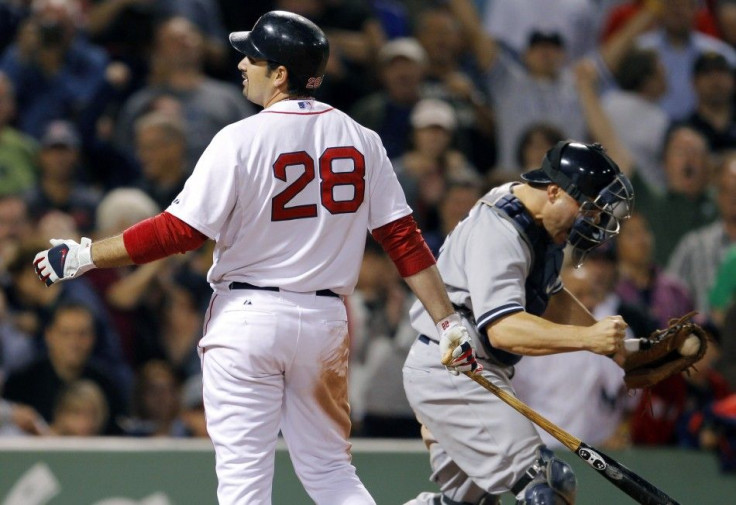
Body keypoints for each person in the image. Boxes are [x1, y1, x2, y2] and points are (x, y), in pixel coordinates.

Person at [31, 11, 479, 505]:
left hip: (249, 317)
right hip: (326, 321)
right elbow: (404, 240)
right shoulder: (362, 138)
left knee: (244, 483)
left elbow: (179, 231)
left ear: (280, 73)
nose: (243, 63)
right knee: (331, 472)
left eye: (254, 57)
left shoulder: (239, 138)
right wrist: (447, 321)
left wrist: (87, 255)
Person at [402, 140, 634, 504]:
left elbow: (551, 295)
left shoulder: (535, 219)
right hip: (454, 369)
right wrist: (588, 339)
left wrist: (620, 351)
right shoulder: (500, 229)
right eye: (587, 209)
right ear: (554, 192)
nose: (591, 221)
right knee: (546, 486)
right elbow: (504, 328)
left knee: (467, 502)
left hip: (469, 371)